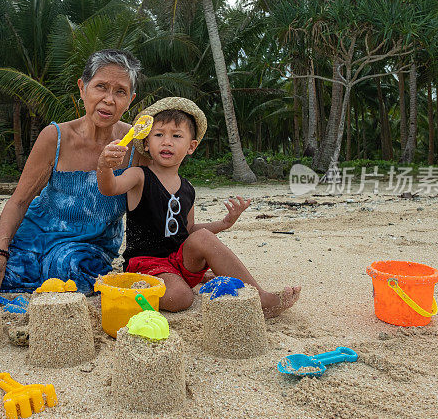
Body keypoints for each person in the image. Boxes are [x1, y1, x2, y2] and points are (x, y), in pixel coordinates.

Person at [97, 97, 301, 316]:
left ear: (191, 146)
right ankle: (135, 290)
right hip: (147, 264)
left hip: (178, 260)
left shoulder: (188, 188)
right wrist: (104, 166)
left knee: (202, 237)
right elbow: (110, 188)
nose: (167, 142)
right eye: (158, 135)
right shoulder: (139, 176)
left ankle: (261, 299)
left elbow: (189, 231)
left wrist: (224, 223)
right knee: (181, 297)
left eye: (176, 136)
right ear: (147, 143)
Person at [0, 49, 144, 293]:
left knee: (68, 270)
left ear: (130, 99)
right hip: (38, 233)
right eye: (101, 87)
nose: (109, 99)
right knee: (1, 275)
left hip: (91, 245)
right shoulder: (55, 137)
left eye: (120, 91)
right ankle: (7, 251)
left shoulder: (137, 145)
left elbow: (154, 204)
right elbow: (19, 200)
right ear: (82, 88)